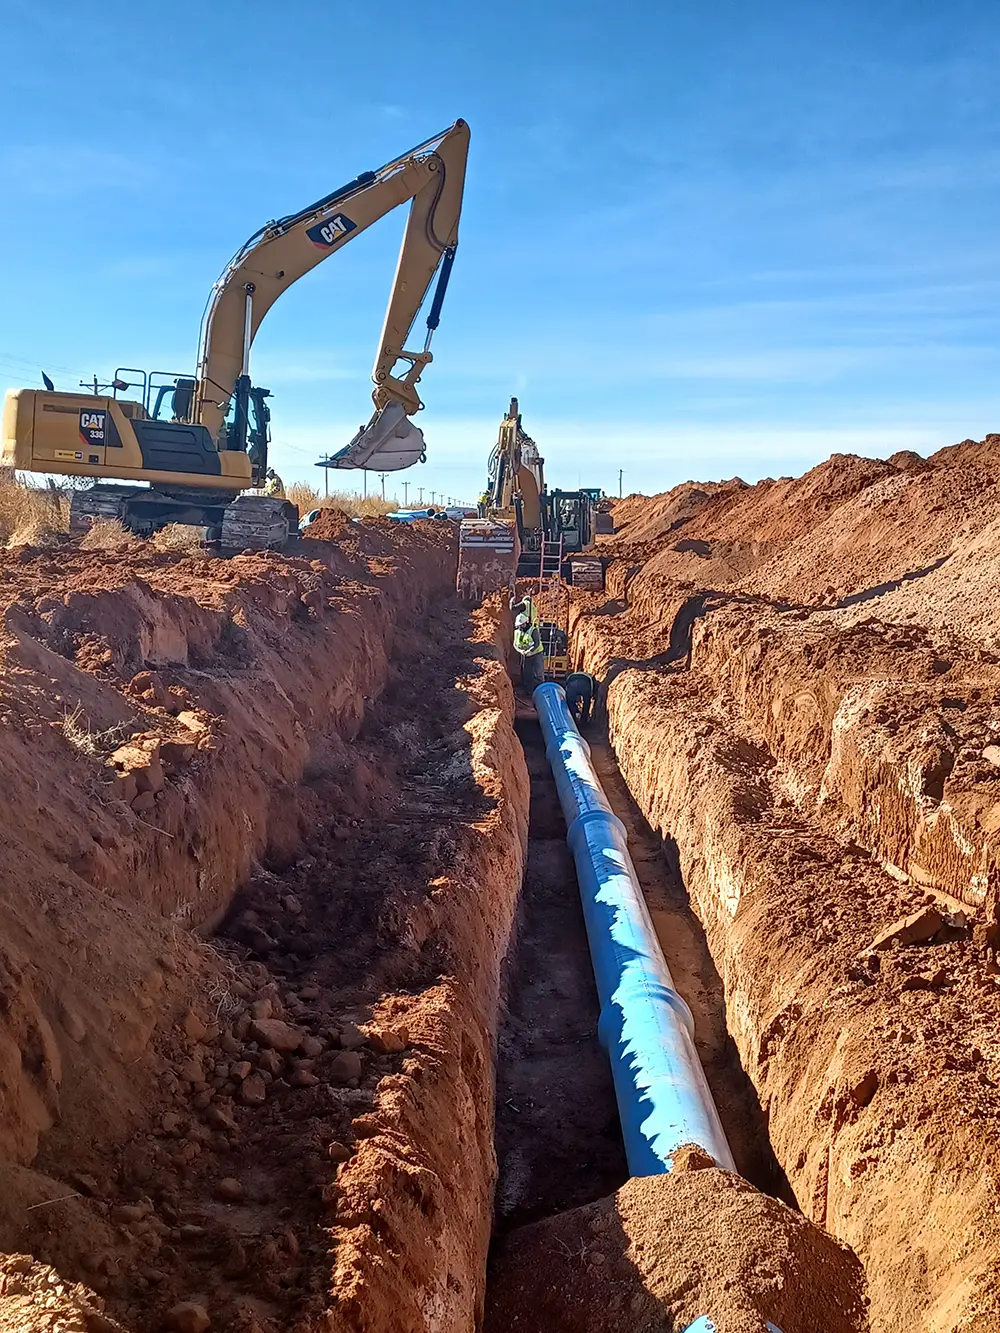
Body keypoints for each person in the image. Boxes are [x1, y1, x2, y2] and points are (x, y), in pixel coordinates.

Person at [513, 613, 545, 691]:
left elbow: (537, 643)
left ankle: (540, 690)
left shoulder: (533, 630)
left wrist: (530, 651)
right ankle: (528, 690)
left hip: (536, 654)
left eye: (521, 625)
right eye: (519, 626)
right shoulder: (517, 632)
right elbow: (515, 644)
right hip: (525, 655)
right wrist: (521, 651)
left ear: (525, 623)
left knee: (538, 673)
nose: (520, 627)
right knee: (527, 673)